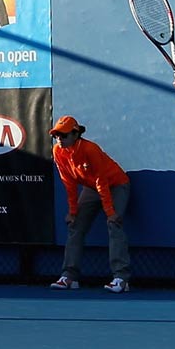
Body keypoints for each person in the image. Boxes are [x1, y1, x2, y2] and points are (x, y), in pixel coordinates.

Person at [46, 115, 133, 292]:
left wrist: (109, 211)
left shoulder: (90, 149)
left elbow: (102, 181)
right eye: (56, 136)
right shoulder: (58, 151)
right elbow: (68, 182)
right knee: (75, 224)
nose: (59, 139)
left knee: (113, 224)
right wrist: (72, 211)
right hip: (92, 187)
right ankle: (69, 277)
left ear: (75, 134)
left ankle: (121, 279)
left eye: (63, 135)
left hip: (116, 184)